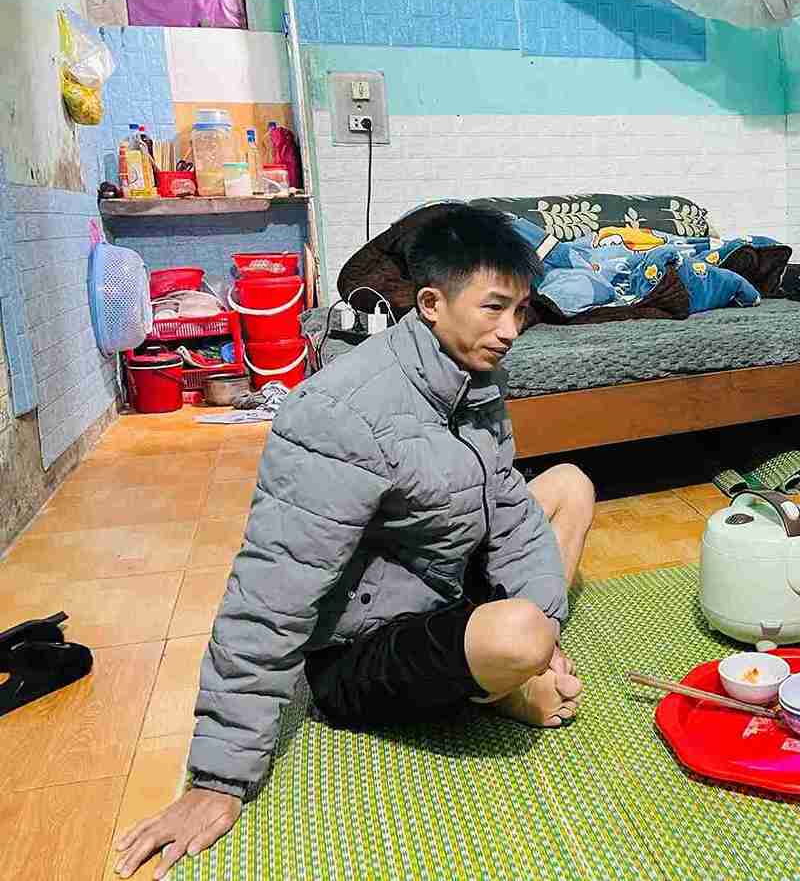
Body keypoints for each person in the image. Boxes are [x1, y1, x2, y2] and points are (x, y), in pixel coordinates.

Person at [114, 205, 595, 879]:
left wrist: (549, 627)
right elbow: (271, 591)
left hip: (440, 578)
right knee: (514, 634)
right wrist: (217, 778)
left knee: (569, 485)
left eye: (520, 311)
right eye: (493, 308)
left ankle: (520, 664)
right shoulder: (340, 413)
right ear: (431, 302)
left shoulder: (474, 377)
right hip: (361, 648)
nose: (510, 331)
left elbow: (510, 510)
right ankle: (506, 687)